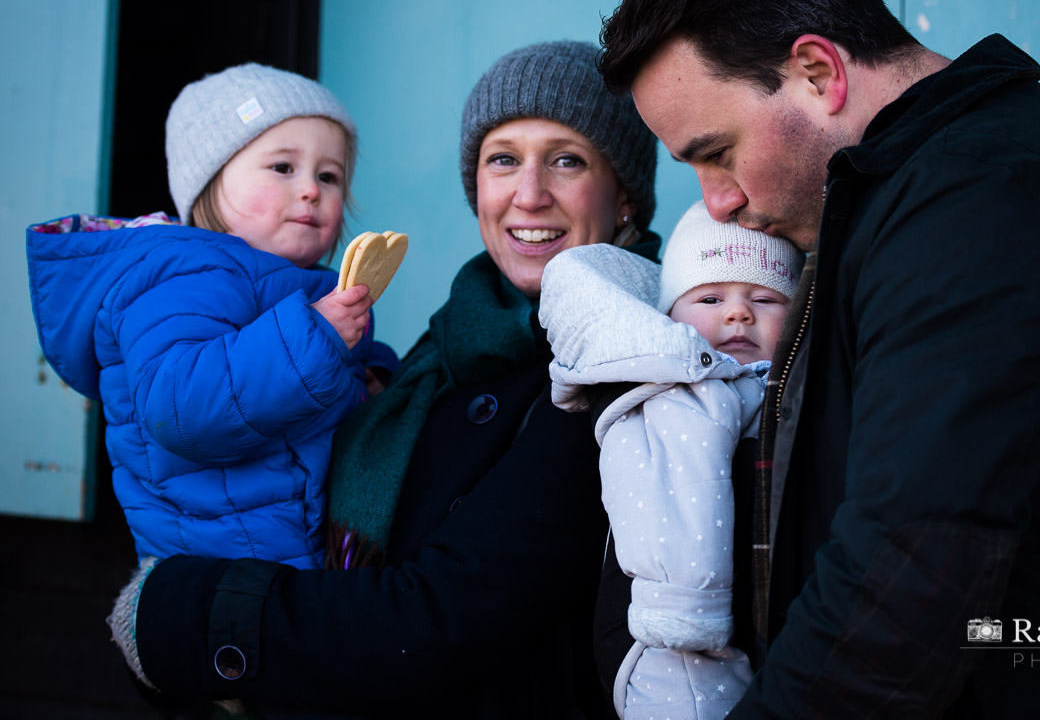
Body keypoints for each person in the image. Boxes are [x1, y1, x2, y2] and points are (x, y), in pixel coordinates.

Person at [595, 0, 1040, 718]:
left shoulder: (974, 199)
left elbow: (905, 576)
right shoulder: (924, 187)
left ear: (815, 71)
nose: (719, 205)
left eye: (717, 153)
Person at [104, 40, 659, 719]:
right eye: (503, 159)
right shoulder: (453, 336)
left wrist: (178, 615)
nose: (529, 193)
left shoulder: (617, 364)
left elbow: (434, 618)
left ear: (625, 195)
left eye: (566, 159)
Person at [26, 63, 397, 572]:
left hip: (296, 551)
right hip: (221, 566)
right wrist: (319, 337)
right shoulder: (184, 277)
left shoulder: (307, 286)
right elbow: (180, 407)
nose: (311, 189)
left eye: (329, 175)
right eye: (283, 168)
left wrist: (374, 378)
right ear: (209, 184)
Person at [540, 200, 802, 719]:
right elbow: (673, 512)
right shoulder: (674, 399)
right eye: (709, 297)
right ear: (670, 317)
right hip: (675, 642)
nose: (737, 313)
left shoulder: (792, 392)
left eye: (765, 299)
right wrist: (687, 620)